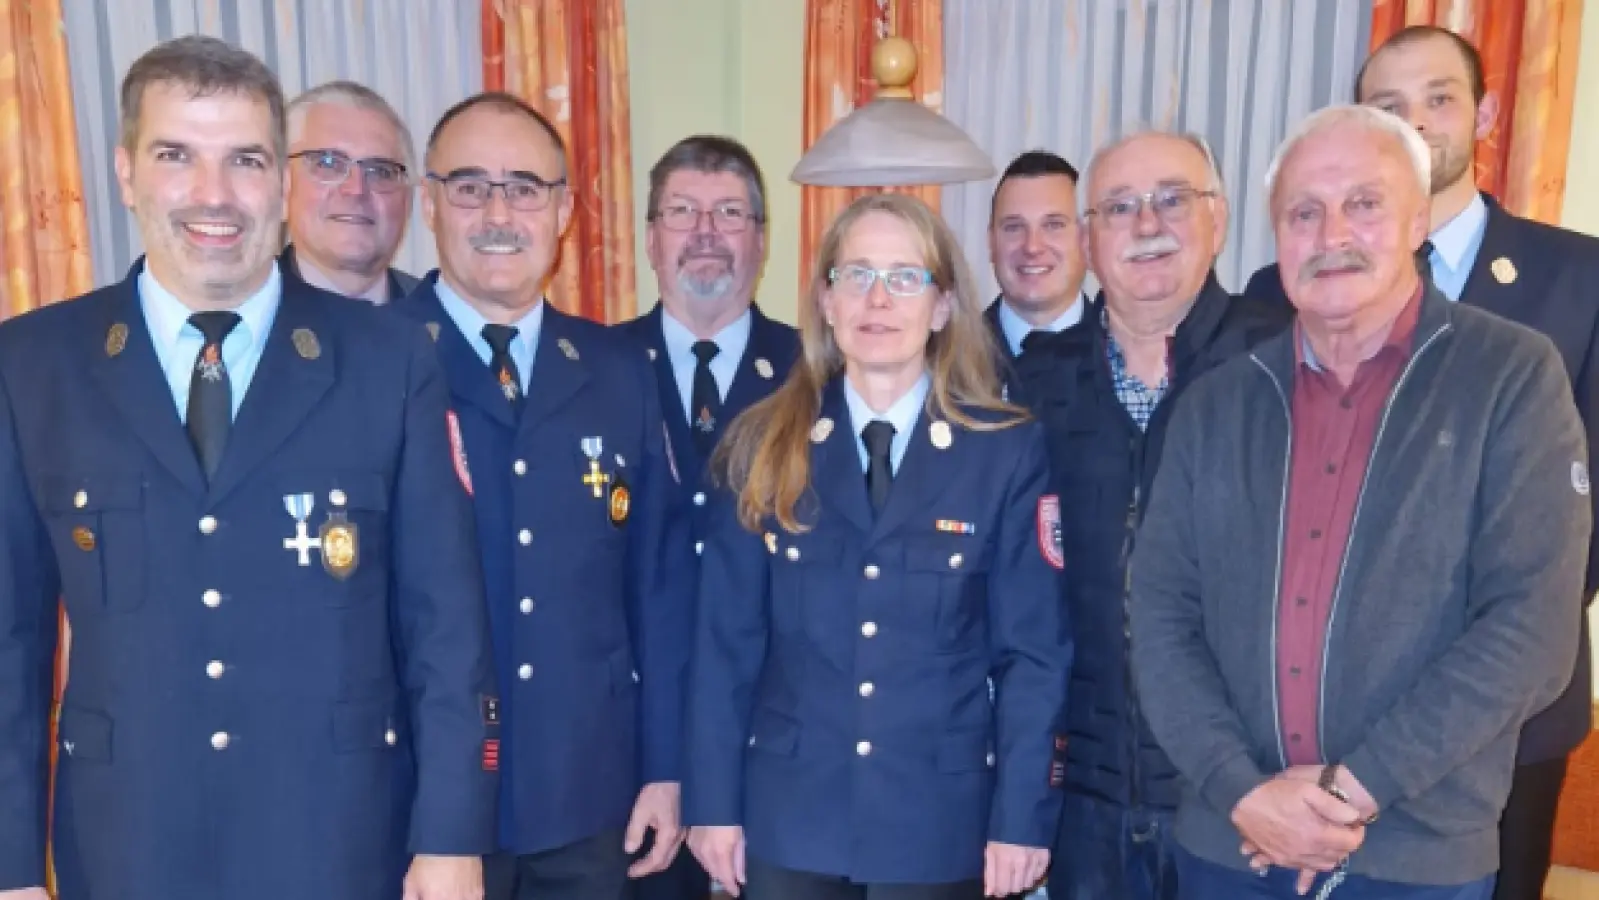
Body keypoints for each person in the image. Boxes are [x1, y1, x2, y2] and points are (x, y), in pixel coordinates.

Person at [0, 35, 496, 900]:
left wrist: (451, 838)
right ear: (125, 174)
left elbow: (444, 627)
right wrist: (8, 867)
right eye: (176, 156)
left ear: (281, 182)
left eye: (245, 160)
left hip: (338, 840)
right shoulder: (34, 364)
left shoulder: (388, 362)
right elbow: (9, 641)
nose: (214, 195)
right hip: (127, 847)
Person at [1129, 104, 1591, 900]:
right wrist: (1240, 790)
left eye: (1363, 203)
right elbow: (1159, 613)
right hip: (1228, 845)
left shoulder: (1510, 376)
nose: (1331, 232)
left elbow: (1531, 629)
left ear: (1416, 218)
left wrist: (1350, 791)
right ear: (1274, 238)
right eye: (1302, 212)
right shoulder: (1216, 404)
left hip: (1411, 858)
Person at [684, 192, 1073, 900]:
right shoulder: (761, 444)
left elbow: (1033, 657)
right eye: (855, 274)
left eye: (904, 277)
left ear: (941, 305)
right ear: (826, 301)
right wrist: (709, 805)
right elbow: (723, 647)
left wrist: (1021, 818)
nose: (878, 298)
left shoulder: (1003, 452)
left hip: (935, 824)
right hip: (789, 819)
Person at [393, 91, 697, 900]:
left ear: (562, 211)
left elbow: (658, 590)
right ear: (429, 203)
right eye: (470, 186)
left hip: (588, 798)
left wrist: (666, 767)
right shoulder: (376, 361)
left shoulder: (617, 370)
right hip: (423, 808)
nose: (500, 212)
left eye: (526, 188)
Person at [1012, 130, 1288, 900]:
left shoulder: (1284, 368)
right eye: (1118, 207)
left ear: (1218, 218)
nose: (1145, 224)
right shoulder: (1030, 385)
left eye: (1171, 199)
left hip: (1239, 796)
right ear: (1089, 239)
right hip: (1080, 800)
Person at [614, 134, 800, 900]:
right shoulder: (589, 368)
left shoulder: (814, 377)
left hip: (773, 757)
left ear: (761, 239)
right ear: (650, 237)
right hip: (622, 762)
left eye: (729, 213)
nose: (705, 233)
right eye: (682, 211)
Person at [282, 80, 419, 302]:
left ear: (408, 200)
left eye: (380, 171)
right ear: (282, 185)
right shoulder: (237, 317)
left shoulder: (450, 326)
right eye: (327, 164)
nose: (356, 189)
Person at [984, 150, 1089, 360]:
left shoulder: (1131, 359)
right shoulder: (944, 360)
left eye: (1053, 225)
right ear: (991, 241)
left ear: (1087, 239)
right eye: (1014, 227)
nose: (1032, 247)